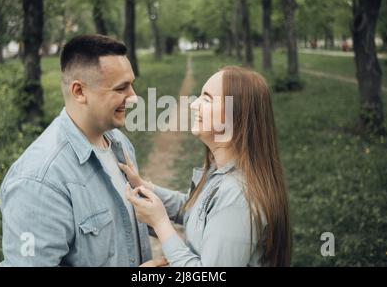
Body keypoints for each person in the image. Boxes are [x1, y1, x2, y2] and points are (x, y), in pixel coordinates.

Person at [0, 35, 160, 266]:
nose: (133, 96)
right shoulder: (40, 182)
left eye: (131, 84)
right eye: (121, 88)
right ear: (79, 91)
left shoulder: (119, 143)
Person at [120, 66, 292, 266]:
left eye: (207, 99)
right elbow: (196, 210)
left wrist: (160, 223)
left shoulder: (238, 197)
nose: (194, 105)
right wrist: (144, 186)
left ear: (236, 115)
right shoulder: (221, 172)